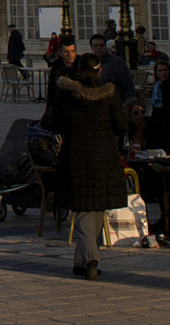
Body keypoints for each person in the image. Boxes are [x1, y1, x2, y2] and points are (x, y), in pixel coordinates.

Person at [51, 52, 131, 279]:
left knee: (86, 208)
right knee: (94, 208)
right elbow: (120, 125)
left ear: (79, 71)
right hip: (104, 156)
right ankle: (89, 259)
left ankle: (87, 259)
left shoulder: (67, 95)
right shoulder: (109, 96)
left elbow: (54, 123)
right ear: (100, 71)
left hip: (76, 155)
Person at [93, 33, 136, 104]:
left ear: (105, 46)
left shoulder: (117, 63)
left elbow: (128, 85)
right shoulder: (89, 63)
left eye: (101, 45)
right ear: (91, 48)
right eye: (95, 46)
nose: (99, 48)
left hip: (115, 104)